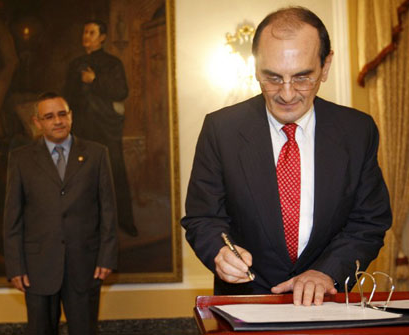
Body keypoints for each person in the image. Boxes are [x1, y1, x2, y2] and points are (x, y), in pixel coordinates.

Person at [181, 6, 392, 306]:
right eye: (273, 78)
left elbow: (369, 223)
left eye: (303, 77)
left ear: (326, 65)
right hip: (246, 306)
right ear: (255, 68)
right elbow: (203, 218)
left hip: (327, 305)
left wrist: (326, 272)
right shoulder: (221, 129)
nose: (288, 94)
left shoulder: (357, 131)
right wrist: (220, 252)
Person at [3, 92, 118, 335]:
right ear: (37, 122)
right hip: (37, 268)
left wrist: (106, 257)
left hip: (85, 266)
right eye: (49, 116)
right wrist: (15, 266)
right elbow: (12, 217)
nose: (57, 121)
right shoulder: (21, 159)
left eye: (62, 114)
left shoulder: (96, 154)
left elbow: (108, 210)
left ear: (71, 116)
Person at [64, 20, 137, 237]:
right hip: (82, 128)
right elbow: (67, 96)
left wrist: (95, 80)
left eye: (92, 32)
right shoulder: (74, 64)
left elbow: (120, 91)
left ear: (102, 37)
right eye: (85, 31)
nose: (86, 36)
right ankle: (84, 225)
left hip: (106, 127)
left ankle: (124, 221)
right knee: (81, 175)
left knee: (114, 171)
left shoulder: (112, 63)